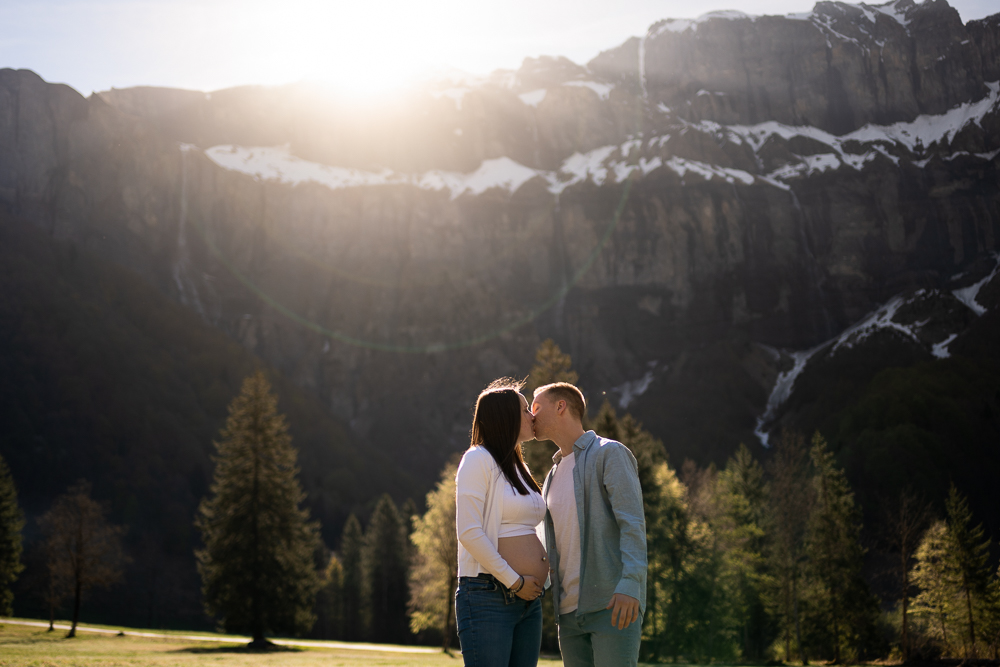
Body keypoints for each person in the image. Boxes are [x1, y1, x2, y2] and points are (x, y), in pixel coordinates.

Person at [531, 382, 647, 667]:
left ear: (561, 406)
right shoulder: (552, 475)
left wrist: (631, 585)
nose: (530, 416)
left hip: (613, 605)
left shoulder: (610, 454)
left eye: (535, 407)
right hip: (568, 617)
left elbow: (632, 524)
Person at [455, 378, 549, 667]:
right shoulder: (477, 459)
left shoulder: (518, 467)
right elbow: (469, 533)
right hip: (488, 596)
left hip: (528, 602)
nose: (532, 416)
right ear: (505, 417)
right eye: (524, 410)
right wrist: (515, 581)